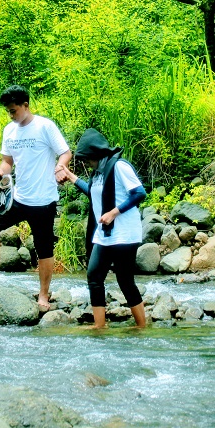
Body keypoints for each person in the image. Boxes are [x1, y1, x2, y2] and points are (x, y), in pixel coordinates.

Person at [0, 85, 71, 310]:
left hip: (43, 200)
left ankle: (43, 295)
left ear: (26, 106)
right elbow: (7, 161)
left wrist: (61, 166)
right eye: (8, 112)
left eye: (14, 111)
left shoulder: (44, 126)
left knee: (44, 247)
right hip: (18, 199)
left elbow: (65, 152)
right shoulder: (9, 131)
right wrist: (2, 171)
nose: (11, 116)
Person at [58, 129, 146, 329]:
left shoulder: (119, 166)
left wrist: (114, 212)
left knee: (125, 280)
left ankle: (142, 326)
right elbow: (93, 193)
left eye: (88, 159)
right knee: (94, 276)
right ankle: (100, 326)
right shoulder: (97, 174)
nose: (87, 163)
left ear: (97, 155)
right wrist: (72, 177)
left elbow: (140, 193)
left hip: (124, 234)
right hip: (104, 234)